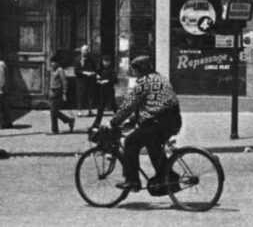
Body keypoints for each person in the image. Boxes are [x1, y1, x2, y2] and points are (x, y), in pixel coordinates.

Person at [106, 55, 182, 192]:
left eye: (135, 69)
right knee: (153, 146)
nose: (134, 72)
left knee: (130, 142)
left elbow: (128, 106)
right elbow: (149, 103)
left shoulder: (144, 82)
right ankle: (169, 179)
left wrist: (114, 121)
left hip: (158, 121)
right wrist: (135, 119)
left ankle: (132, 180)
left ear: (141, 69)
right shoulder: (161, 78)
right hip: (173, 120)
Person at [47, 57, 75, 134]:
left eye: (54, 62)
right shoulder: (51, 70)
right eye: (51, 62)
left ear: (57, 63)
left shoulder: (60, 70)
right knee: (53, 111)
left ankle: (54, 130)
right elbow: (51, 81)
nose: (52, 64)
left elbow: (64, 82)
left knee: (53, 111)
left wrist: (64, 93)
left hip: (58, 91)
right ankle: (68, 120)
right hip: (52, 91)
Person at [91, 53, 117, 129]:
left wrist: (106, 81)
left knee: (114, 106)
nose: (105, 63)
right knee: (100, 108)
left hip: (109, 91)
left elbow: (115, 80)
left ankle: (120, 120)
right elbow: (97, 75)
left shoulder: (112, 70)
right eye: (104, 61)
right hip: (102, 91)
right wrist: (97, 77)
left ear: (110, 62)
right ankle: (96, 123)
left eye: (107, 61)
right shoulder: (101, 70)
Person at [74, 44, 97, 117]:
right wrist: (83, 72)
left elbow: (95, 69)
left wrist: (92, 73)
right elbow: (76, 71)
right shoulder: (77, 59)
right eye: (84, 50)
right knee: (80, 95)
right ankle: (79, 110)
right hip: (81, 80)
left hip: (89, 80)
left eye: (86, 50)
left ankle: (90, 110)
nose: (85, 52)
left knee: (90, 96)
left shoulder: (91, 60)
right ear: (81, 51)